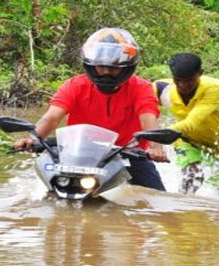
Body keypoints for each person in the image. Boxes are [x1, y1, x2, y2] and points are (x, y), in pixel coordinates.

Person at [12, 28, 167, 191]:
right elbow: (51, 117)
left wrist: (155, 149)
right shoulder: (74, 85)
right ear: (91, 66)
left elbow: (148, 120)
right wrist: (33, 139)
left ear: (126, 68)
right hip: (78, 153)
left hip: (126, 153)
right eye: (101, 66)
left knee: (156, 199)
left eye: (114, 68)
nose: (106, 72)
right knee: (50, 193)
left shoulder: (141, 88)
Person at [155, 53, 219, 198]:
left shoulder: (215, 88)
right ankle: (180, 211)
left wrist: (160, 133)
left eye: (189, 81)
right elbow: (142, 108)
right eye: (178, 80)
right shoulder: (161, 89)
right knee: (192, 176)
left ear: (200, 74)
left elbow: (192, 122)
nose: (183, 86)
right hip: (187, 140)